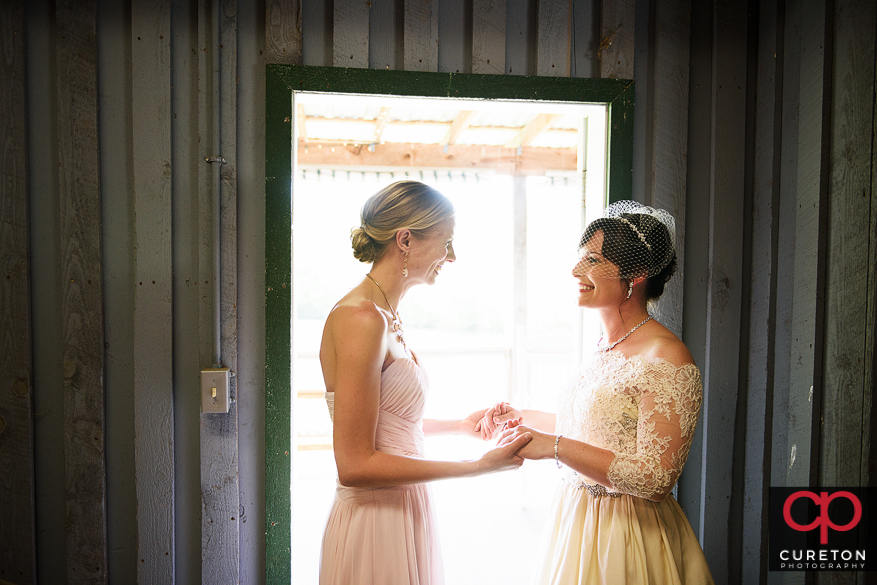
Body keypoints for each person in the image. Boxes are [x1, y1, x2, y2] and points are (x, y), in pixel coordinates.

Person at [486, 201, 715, 585]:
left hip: (627, 536)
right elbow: (599, 430)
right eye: (581, 258)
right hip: (576, 521)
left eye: (592, 260)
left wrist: (554, 446)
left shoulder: (667, 358)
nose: (576, 270)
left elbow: (656, 479)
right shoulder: (603, 347)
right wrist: (521, 419)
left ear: (637, 273)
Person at [318, 180, 532, 585]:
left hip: (403, 505)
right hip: (375, 518)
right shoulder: (361, 319)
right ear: (405, 240)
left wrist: (460, 427)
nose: (452, 257)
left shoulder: (385, 314)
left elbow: (384, 425)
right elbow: (354, 464)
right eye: (446, 242)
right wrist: (476, 467)